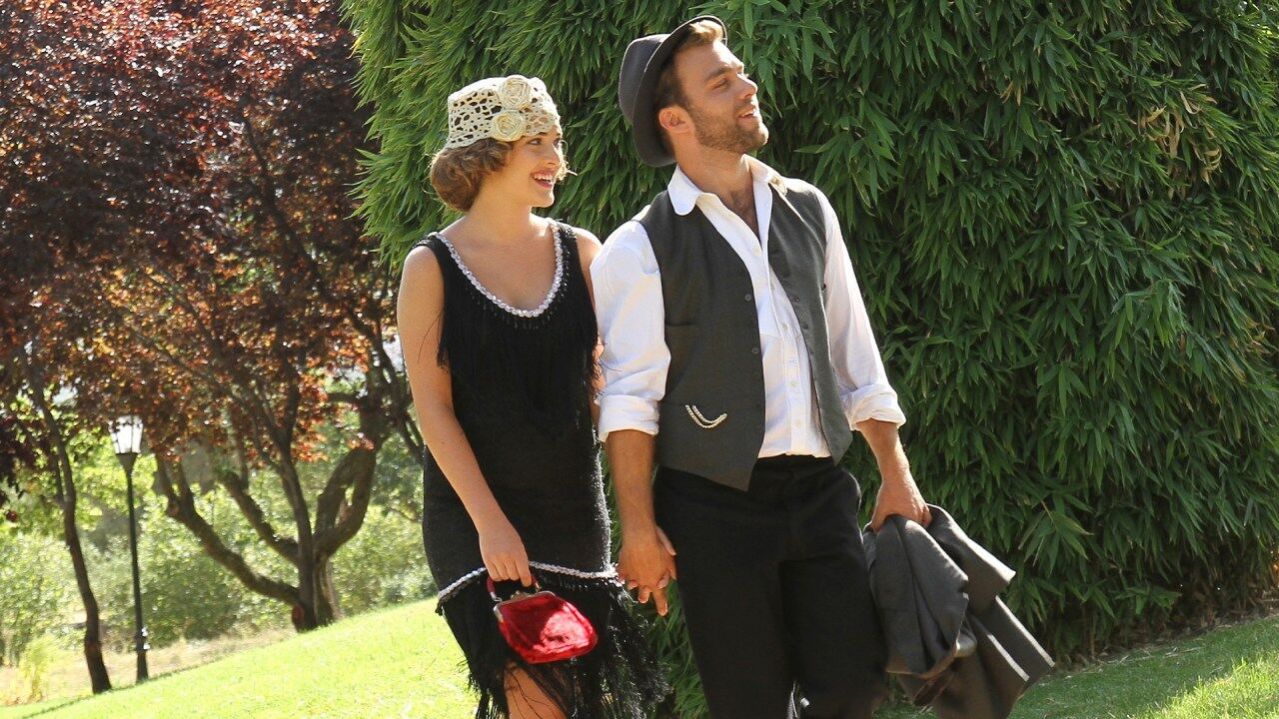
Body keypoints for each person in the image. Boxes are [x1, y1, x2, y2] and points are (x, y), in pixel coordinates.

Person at [593, 17, 931, 719]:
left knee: (854, 685)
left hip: (819, 487)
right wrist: (638, 528)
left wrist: (894, 473)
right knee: (748, 703)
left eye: (739, 71)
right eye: (721, 82)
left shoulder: (808, 207)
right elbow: (629, 401)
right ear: (674, 119)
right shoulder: (638, 247)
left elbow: (853, 351)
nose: (747, 87)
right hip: (711, 506)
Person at [396, 74, 665, 719]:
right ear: (488, 155)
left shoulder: (584, 252)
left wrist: (647, 508)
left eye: (557, 142)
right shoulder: (430, 267)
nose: (555, 159)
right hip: (475, 521)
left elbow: (605, 393)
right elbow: (433, 410)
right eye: (535, 143)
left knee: (580, 702)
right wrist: (490, 524)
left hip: (573, 514)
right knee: (536, 703)